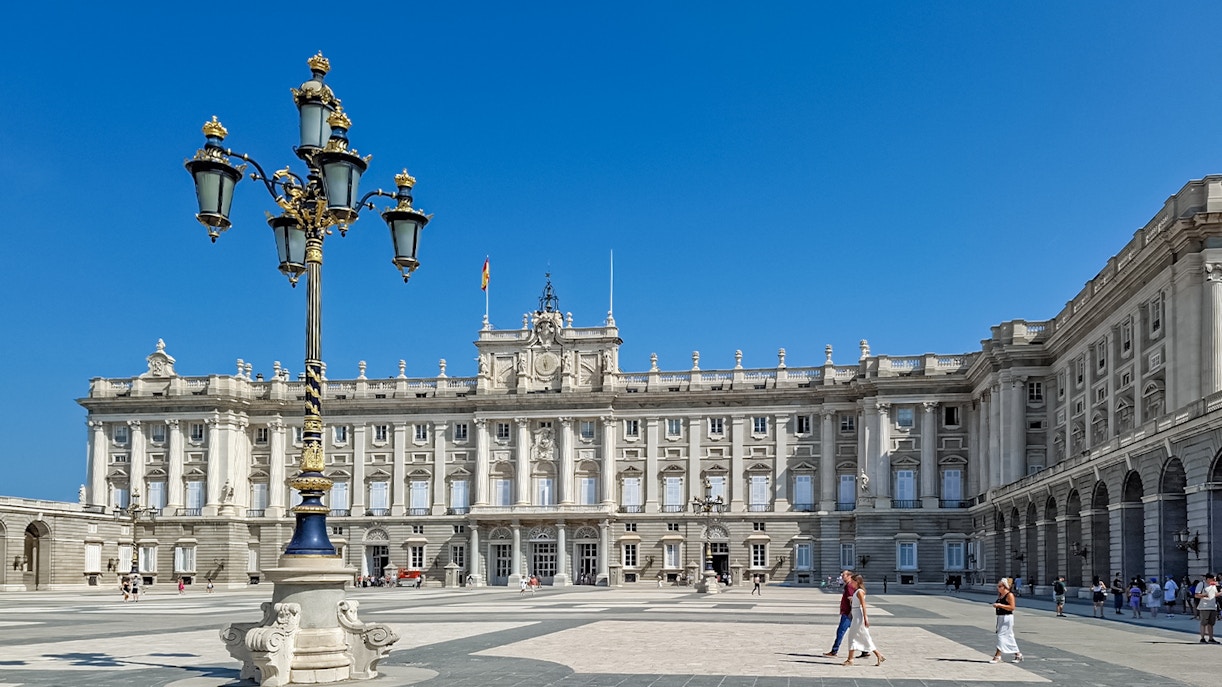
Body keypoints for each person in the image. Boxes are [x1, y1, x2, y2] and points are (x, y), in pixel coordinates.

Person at [840, 573, 886, 666]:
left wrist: (865, 618)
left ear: (857, 582)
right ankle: (878, 655)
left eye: (853, 581)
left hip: (858, 616)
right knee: (860, 636)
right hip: (856, 615)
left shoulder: (860, 591)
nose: (851, 583)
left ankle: (851, 659)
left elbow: (864, 605)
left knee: (856, 636)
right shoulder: (857, 591)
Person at [823, 570, 867, 659]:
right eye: (842, 575)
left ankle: (834, 651)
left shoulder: (850, 586)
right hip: (849, 613)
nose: (842, 577)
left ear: (849, 576)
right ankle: (865, 651)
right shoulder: (848, 585)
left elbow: (852, 600)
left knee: (840, 631)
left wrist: (851, 613)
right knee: (858, 632)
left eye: (844, 575)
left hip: (848, 614)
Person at [990, 578, 1022, 663]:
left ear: (1005, 587)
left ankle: (997, 656)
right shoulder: (1000, 595)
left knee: (1001, 635)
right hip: (1000, 617)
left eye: (1000, 586)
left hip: (1007, 617)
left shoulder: (1009, 595)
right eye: (998, 586)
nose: (998, 588)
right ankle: (1018, 654)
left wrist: (1000, 605)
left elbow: (1012, 607)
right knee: (1009, 636)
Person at [1194, 573, 1218, 644]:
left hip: (1213, 606)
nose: (1214, 580)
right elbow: (1196, 595)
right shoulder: (1201, 584)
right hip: (1204, 606)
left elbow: (1215, 594)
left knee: (1211, 623)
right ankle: (1202, 638)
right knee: (1204, 623)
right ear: (1208, 579)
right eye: (1212, 579)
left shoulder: (1213, 585)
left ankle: (1211, 638)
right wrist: (1205, 595)